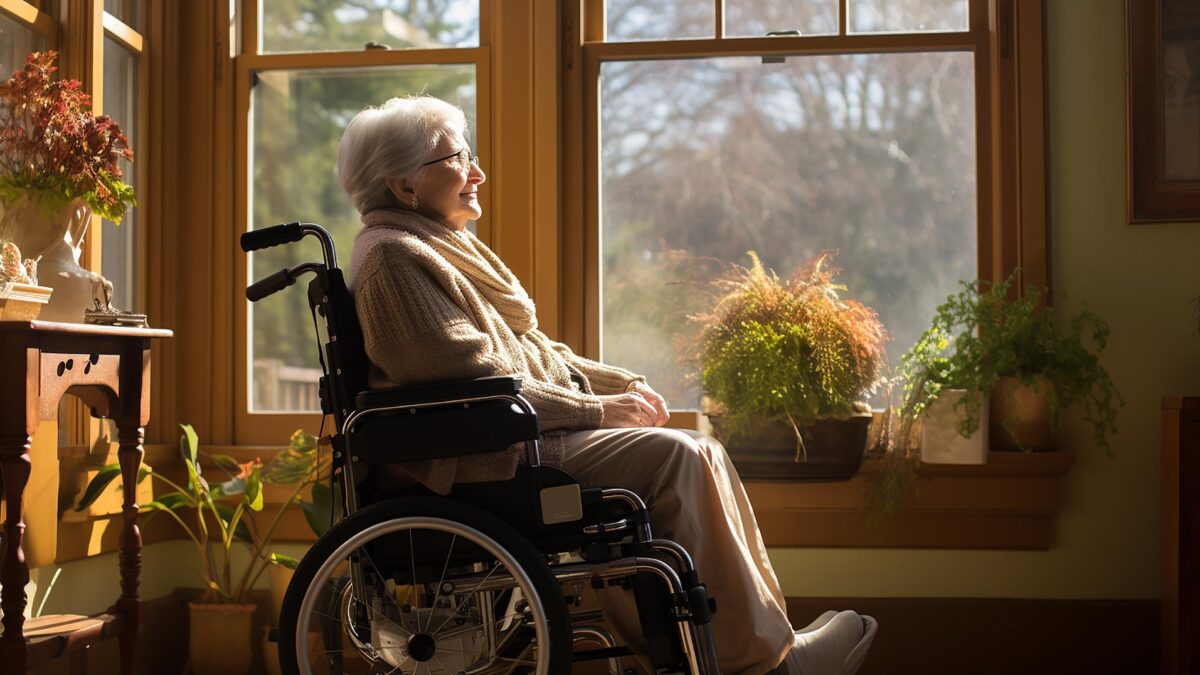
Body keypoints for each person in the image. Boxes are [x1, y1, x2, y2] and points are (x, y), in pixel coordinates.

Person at [339, 95, 877, 675]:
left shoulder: (432, 244)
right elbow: (474, 380)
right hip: (487, 456)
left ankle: (758, 647)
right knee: (680, 459)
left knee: (701, 450)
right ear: (404, 186)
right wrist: (594, 410)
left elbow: (531, 352)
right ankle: (760, 665)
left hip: (508, 436)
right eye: (456, 156)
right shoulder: (393, 259)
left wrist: (619, 383)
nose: (478, 172)